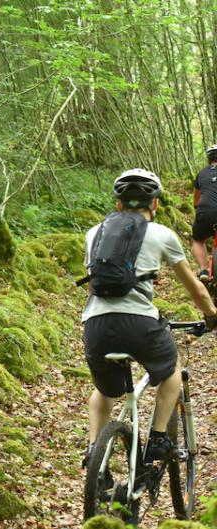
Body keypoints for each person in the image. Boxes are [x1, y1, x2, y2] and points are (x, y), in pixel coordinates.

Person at [82, 168, 217, 467]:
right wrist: (211, 314)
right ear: (154, 204)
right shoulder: (162, 235)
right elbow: (195, 288)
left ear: (118, 203)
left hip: (96, 325)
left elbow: (98, 282)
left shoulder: (94, 234)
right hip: (140, 324)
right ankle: (158, 439)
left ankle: (94, 452)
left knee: (103, 391)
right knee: (171, 373)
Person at [192, 144, 217, 281]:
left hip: (206, 212)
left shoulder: (201, 174)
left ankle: (204, 270)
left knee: (198, 240)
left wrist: (197, 209)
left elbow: (196, 198)